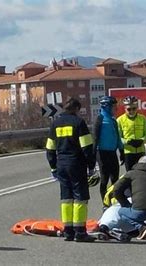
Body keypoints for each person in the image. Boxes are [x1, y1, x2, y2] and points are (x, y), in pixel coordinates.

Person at [45, 97, 96, 242]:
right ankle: (80, 232)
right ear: (76, 109)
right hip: (76, 164)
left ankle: (68, 231)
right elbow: (87, 147)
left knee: (66, 198)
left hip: (61, 164)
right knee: (80, 198)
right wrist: (91, 165)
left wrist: (53, 166)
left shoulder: (55, 123)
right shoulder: (79, 123)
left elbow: (50, 148)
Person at [94, 96, 124, 203]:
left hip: (112, 153)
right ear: (107, 107)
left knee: (115, 179)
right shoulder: (100, 119)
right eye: (114, 107)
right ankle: (104, 202)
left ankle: (114, 200)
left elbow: (117, 137)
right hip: (102, 153)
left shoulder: (113, 120)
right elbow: (96, 138)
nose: (115, 109)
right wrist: (93, 156)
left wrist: (121, 151)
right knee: (104, 179)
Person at [117, 96, 146, 171]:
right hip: (128, 153)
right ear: (125, 109)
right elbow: (118, 137)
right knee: (130, 175)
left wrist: (141, 140)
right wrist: (127, 141)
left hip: (141, 151)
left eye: (134, 108)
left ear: (137, 107)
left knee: (142, 173)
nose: (131, 111)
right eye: (129, 109)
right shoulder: (120, 120)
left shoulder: (143, 118)